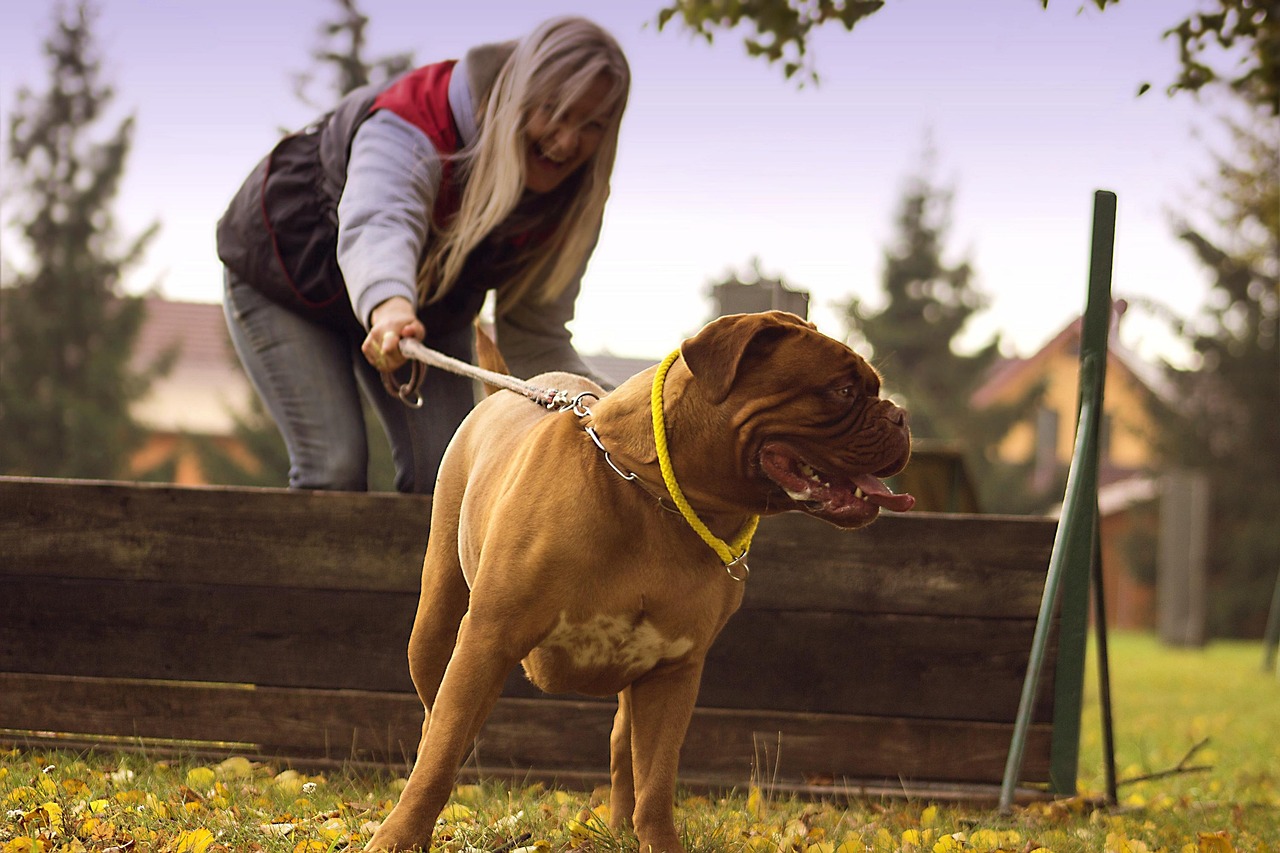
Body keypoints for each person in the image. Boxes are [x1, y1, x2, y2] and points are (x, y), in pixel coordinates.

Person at [216, 16, 629, 493]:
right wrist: (390, 308)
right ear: (517, 91)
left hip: (424, 311)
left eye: (592, 124)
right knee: (334, 466)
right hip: (288, 277)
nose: (565, 141)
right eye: (553, 109)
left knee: (447, 478)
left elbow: (536, 342)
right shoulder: (415, 119)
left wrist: (624, 410)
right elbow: (380, 220)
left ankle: (405, 573)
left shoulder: (572, 202)